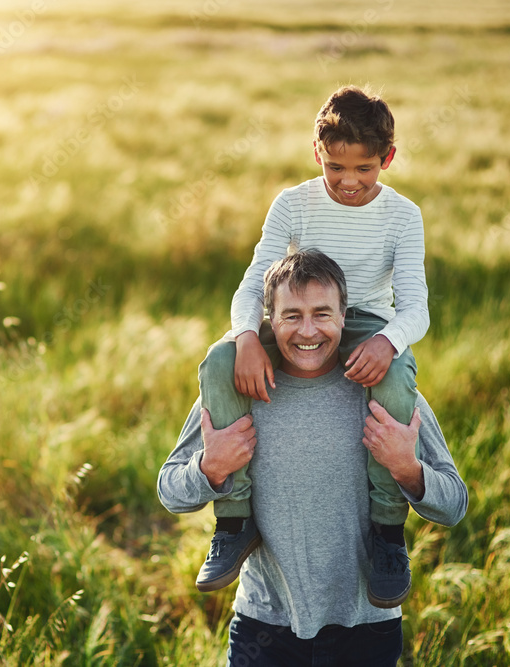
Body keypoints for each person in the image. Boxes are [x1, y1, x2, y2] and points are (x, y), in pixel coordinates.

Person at [157, 250, 467, 665]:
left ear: (345, 316)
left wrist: (407, 468)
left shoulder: (382, 390)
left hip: (367, 628)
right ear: (268, 318)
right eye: (292, 316)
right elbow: (170, 490)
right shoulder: (238, 387)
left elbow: (454, 505)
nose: (307, 331)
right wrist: (209, 468)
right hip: (263, 628)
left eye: (322, 314)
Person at [194, 85, 429, 608]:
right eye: (335, 168)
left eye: (364, 169)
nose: (349, 182)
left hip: (365, 322)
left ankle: (388, 532)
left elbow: (416, 306)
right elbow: (254, 283)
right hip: (302, 315)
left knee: (393, 379)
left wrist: (389, 342)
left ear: (386, 159)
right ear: (317, 154)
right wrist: (249, 335)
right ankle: (234, 520)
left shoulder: (402, 215)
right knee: (218, 360)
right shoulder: (292, 203)